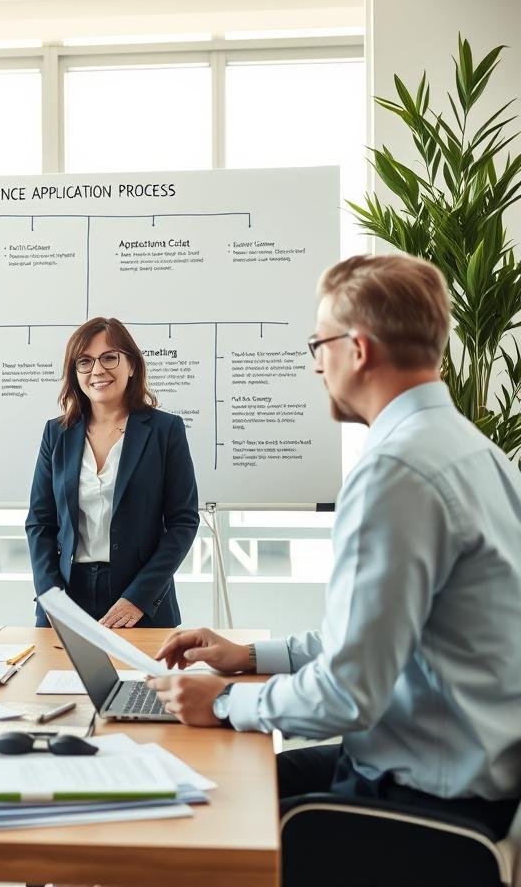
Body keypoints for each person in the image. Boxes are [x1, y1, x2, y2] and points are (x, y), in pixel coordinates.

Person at [148, 255, 521, 838]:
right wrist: (248, 657)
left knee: (188, 825)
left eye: (318, 345)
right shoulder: (476, 454)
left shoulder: (395, 473)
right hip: (449, 775)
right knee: (220, 784)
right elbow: (372, 641)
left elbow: (349, 692)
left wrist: (222, 703)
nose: (317, 366)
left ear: (359, 348)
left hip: (425, 808)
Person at [26, 317, 200, 630]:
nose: (97, 370)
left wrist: (140, 596)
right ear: (74, 372)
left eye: (109, 357)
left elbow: (183, 522)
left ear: (131, 365)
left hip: (138, 598)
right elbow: (40, 522)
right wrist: (50, 595)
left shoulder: (165, 431)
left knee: (140, 680)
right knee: (54, 678)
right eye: (85, 361)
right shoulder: (57, 433)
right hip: (66, 595)